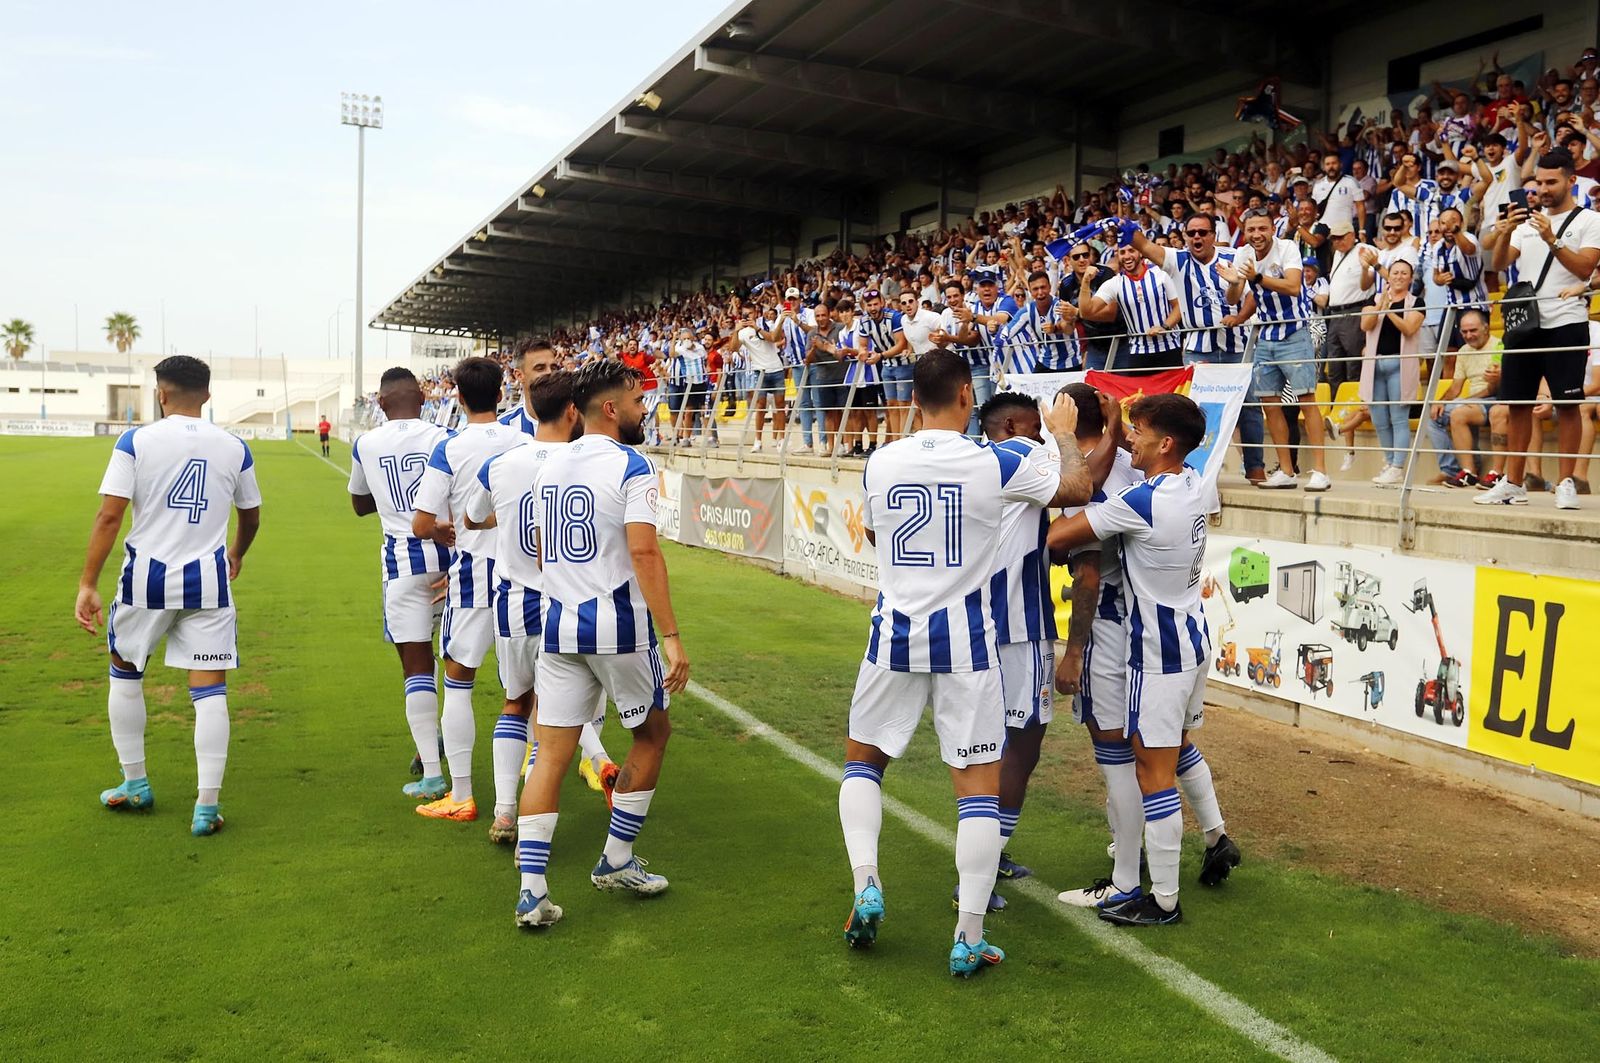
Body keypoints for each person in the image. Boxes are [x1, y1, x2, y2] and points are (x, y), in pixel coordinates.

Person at [836, 350, 1094, 976]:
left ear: (914, 397)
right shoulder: (996, 460)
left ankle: (866, 883)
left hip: (892, 633)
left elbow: (873, 534)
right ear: (965, 396)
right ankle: (968, 935)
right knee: (977, 788)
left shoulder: (880, 461)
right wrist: (1060, 430)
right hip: (967, 642)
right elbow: (1078, 488)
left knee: (863, 762)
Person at [515, 359, 691, 929]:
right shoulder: (633, 465)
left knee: (551, 753)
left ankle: (531, 892)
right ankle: (616, 858)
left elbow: (542, 551)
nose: (644, 410)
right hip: (617, 627)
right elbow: (644, 553)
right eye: (638, 401)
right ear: (611, 409)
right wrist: (671, 636)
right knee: (652, 733)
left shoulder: (549, 467)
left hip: (559, 626)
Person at [1047, 393, 1219, 926]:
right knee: (1163, 763)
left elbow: (1058, 540)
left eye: (1138, 431)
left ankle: (1161, 900)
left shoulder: (1143, 501)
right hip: (1192, 637)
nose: (1129, 439)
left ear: (1166, 443)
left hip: (1157, 651)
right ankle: (1198, 850)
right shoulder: (1195, 482)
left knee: (1152, 772)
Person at [74, 355, 262, 837]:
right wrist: (236, 553)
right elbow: (252, 514)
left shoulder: (136, 440)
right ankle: (206, 807)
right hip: (209, 582)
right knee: (209, 692)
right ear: (208, 394)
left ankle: (135, 783)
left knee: (125, 671)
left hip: (147, 581)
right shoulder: (234, 447)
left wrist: (88, 583)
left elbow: (109, 516)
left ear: (160, 394)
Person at [464, 372, 619, 844]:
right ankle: (598, 763)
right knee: (560, 709)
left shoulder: (501, 464)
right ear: (574, 410)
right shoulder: (588, 461)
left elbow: (472, 517)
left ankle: (506, 813)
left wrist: (507, 518)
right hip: (571, 601)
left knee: (515, 704)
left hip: (514, 602)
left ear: (531, 411)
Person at [410, 356, 527, 824]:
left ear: (457, 396)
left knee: (458, 682)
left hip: (475, 575)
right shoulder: (526, 440)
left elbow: (420, 523)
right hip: (523, 575)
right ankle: (520, 793)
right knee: (523, 690)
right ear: (502, 394)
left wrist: (446, 529)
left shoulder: (450, 447)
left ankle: (461, 794)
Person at [1050, 383, 1146, 909]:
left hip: (1108, 628)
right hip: (1145, 626)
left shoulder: (1090, 477)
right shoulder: (1131, 466)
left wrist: (1073, 651)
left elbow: (1086, 573)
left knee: (1113, 753)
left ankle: (1125, 881)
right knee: (1140, 752)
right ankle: (1132, 852)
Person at [347, 368, 453, 802]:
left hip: (402, 561)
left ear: (382, 401)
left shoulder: (366, 443)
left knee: (416, 666)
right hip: (452, 558)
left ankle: (431, 772)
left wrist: (389, 498)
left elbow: (357, 504)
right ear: (423, 398)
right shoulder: (445, 437)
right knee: (461, 666)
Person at [1480, 148, 1600, 509]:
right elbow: (1500, 264)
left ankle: (1566, 482)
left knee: (1567, 404)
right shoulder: (1527, 221)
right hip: (1524, 324)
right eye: (1539, 184)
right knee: (1517, 404)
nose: (1544, 190)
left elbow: (1584, 269)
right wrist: (1504, 232)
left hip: (1566, 321)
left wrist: (1553, 239)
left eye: (1552, 182)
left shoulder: (1589, 220)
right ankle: (1513, 482)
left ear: (1571, 180)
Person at [1126, 218, 1266, 482]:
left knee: (1249, 407)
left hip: (1237, 344)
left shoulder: (1233, 256)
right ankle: (1197, 471)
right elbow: (1143, 245)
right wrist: (1123, 226)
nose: (1197, 237)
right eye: (1191, 233)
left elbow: (1250, 298)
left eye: (1203, 232)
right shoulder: (1176, 259)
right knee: (1196, 412)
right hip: (1198, 348)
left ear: (1214, 235)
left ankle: (1255, 467)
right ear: (1185, 236)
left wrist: (1238, 316)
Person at [1219, 209, 1332, 491]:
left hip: (1295, 331)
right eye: (1251, 229)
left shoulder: (1288, 248)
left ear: (1272, 229)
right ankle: (1286, 471)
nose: (1257, 234)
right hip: (1265, 336)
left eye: (1262, 228)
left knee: (1307, 399)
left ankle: (1320, 471)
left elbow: (1294, 287)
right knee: (1270, 404)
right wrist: (1235, 282)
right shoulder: (1242, 253)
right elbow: (1234, 298)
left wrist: (1255, 278)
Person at [1358, 260, 1426, 486]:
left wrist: (1389, 312)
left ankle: (1398, 465)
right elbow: (1365, 325)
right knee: (1379, 418)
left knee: (1398, 418)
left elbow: (1409, 328)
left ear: (1410, 278)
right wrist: (1380, 307)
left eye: (1403, 273)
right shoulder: (1375, 298)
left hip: (1399, 364)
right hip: (1375, 364)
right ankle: (1389, 462)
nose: (1398, 276)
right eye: (1395, 272)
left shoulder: (1417, 301)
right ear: (1389, 276)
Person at [1428, 308, 1502, 486]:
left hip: (1495, 400)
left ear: (1486, 328)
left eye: (1473, 330)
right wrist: (1440, 402)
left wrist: (1466, 401)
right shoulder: (1463, 350)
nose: (1469, 335)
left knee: (1460, 411)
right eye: (1464, 331)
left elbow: (1493, 389)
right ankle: (1451, 469)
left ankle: (1470, 471)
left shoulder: (1499, 346)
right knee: (1431, 416)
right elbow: (1455, 388)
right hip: (1473, 402)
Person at [736, 305, 787, 452]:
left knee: (779, 405)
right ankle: (758, 441)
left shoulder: (767, 324)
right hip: (760, 371)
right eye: (745, 314)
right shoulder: (743, 332)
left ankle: (781, 439)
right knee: (760, 406)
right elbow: (733, 348)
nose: (748, 316)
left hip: (776, 368)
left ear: (756, 313)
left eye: (750, 313)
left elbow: (773, 338)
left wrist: (756, 328)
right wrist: (735, 330)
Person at [497, 338, 560, 435]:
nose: (550, 372)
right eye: (540, 368)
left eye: (553, 367)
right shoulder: (503, 427)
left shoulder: (578, 421)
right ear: (519, 375)